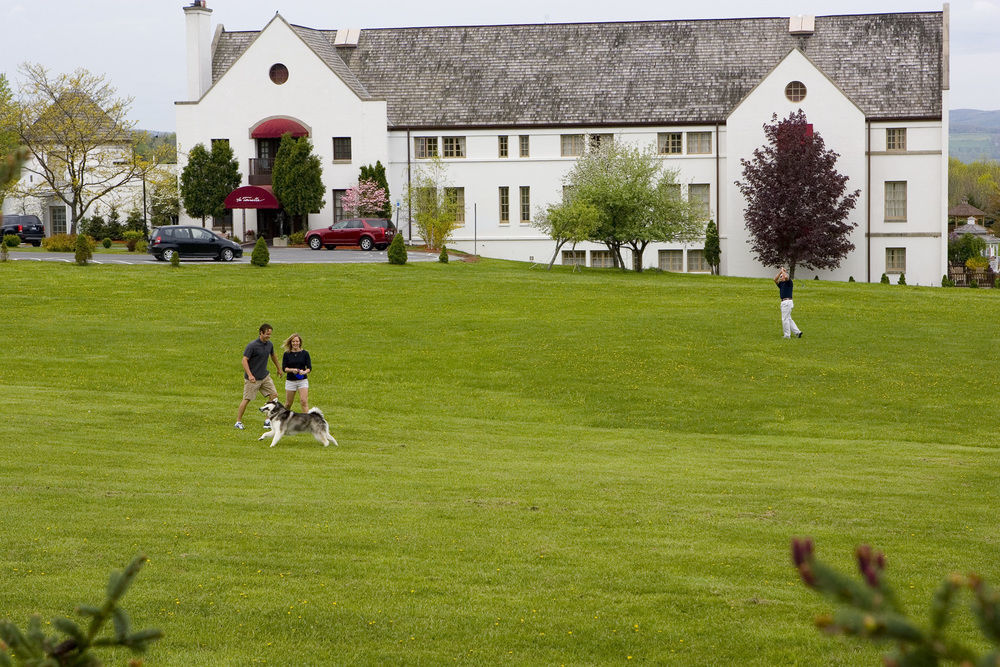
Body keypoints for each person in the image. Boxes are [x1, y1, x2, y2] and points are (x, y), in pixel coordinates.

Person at [235, 323, 282, 430]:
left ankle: (267, 420)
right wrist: (250, 375)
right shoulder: (252, 345)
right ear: (261, 333)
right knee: (247, 399)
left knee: (274, 395)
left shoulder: (269, 344)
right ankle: (238, 421)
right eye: (267, 334)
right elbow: (244, 360)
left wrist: (278, 368)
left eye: (270, 334)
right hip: (253, 379)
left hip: (264, 376)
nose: (269, 336)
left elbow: (273, 355)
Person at [281, 332, 312, 412]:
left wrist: (304, 372)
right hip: (291, 381)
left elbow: (309, 368)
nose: (295, 343)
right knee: (288, 403)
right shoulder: (287, 354)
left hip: (302, 380)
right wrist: (292, 370)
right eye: (293, 341)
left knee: (303, 401)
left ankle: (307, 422)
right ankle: (283, 419)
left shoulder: (305, 353)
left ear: (300, 342)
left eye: (297, 341)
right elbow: (284, 368)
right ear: (290, 343)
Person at [774, 268, 803, 339]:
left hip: (787, 302)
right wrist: (780, 272)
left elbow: (786, 277)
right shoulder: (781, 284)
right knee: (789, 318)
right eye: (780, 277)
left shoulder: (789, 282)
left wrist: (783, 272)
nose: (780, 278)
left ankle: (787, 335)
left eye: (781, 276)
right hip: (784, 302)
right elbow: (775, 279)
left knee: (784, 319)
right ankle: (797, 332)